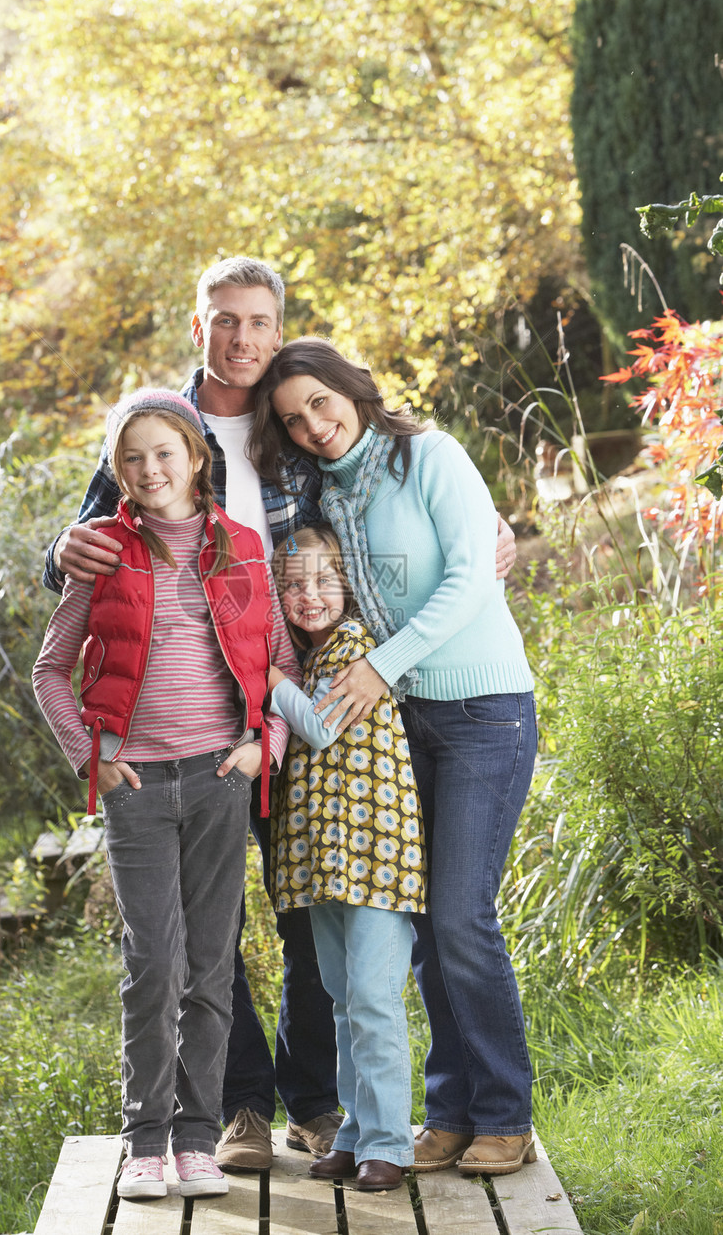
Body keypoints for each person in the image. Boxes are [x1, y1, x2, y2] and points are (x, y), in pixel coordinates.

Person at [41, 256, 518, 1172]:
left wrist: (484, 526)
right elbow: (85, 560)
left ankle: (317, 1104)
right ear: (200, 327)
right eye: (227, 321)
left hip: (296, 707)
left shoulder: (291, 426)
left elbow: (376, 506)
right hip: (199, 726)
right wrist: (62, 547)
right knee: (212, 930)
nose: (244, 338)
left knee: (310, 916)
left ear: (278, 325)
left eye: (260, 321)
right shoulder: (158, 431)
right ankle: (242, 1106)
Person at [250, 337, 539, 1178]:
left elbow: (470, 576)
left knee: (460, 915)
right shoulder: (327, 494)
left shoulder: (430, 456)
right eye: (293, 419)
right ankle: (449, 1111)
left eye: (319, 402)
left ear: (352, 388)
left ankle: (505, 1113)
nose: (311, 425)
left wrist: (383, 664)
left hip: (482, 707)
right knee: (419, 923)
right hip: (400, 724)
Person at [32, 388, 297, 1200]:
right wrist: (93, 758)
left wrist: (266, 746)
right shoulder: (105, 555)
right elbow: (51, 671)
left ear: (196, 458)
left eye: (164, 453)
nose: (151, 469)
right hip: (138, 787)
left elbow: (279, 662)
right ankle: (143, 1139)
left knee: (212, 966)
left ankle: (196, 1139)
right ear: (118, 472)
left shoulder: (243, 549)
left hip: (220, 779)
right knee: (154, 964)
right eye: (133, 458)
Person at [266, 524, 427, 1192]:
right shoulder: (313, 658)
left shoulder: (356, 650)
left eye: (323, 582)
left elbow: (324, 725)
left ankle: (390, 1140)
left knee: (373, 999)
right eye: (294, 586)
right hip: (323, 858)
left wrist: (269, 677)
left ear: (349, 586)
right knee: (341, 999)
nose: (309, 596)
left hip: (372, 856)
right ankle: (357, 1131)